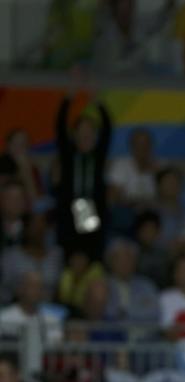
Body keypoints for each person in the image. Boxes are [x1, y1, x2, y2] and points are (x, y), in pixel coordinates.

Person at [52, 90, 111, 258]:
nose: (86, 134)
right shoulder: (69, 154)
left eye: (90, 130)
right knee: (68, 248)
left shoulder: (98, 156)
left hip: (88, 206)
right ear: (75, 134)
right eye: (82, 130)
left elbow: (107, 129)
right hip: (68, 205)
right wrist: (68, 99)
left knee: (89, 248)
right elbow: (60, 127)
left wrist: (98, 103)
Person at [0, 214, 63, 304]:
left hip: (50, 310)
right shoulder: (10, 255)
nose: (38, 230)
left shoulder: (57, 254)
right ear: (25, 229)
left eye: (42, 225)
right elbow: (4, 288)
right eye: (34, 226)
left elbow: (61, 287)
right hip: (15, 308)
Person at [103, 238, 159, 323]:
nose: (125, 263)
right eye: (120, 259)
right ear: (110, 261)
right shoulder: (102, 285)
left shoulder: (147, 285)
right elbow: (105, 314)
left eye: (129, 259)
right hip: (112, 334)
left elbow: (154, 313)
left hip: (145, 334)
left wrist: (125, 314)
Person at [0, 271, 64, 345]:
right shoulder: (4, 318)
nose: (37, 291)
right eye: (32, 286)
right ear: (20, 289)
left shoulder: (52, 321)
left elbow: (55, 351)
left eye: (40, 287)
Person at [106, 127, 159, 210]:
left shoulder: (158, 168)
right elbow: (112, 197)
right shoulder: (121, 165)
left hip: (151, 214)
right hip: (126, 212)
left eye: (146, 144)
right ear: (132, 146)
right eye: (138, 144)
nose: (142, 148)